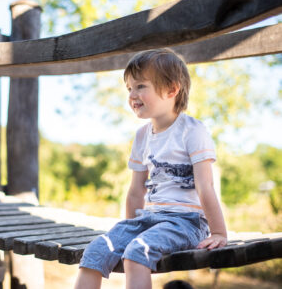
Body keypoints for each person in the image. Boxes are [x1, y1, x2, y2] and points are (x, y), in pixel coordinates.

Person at [74, 48, 227, 289]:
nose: (132, 94)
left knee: (137, 251)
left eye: (141, 86)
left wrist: (218, 232)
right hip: (148, 220)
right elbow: (136, 191)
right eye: (129, 88)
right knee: (96, 251)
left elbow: (205, 185)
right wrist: (127, 231)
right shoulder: (142, 136)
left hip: (186, 222)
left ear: (171, 90)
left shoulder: (193, 131)